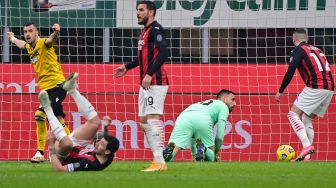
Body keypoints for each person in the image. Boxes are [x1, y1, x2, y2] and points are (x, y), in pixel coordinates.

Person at [114, 1, 169, 172]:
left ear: (151, 12)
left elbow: (164, 52)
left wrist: (149, 74)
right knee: (144, 121)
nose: (138, 13)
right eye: (137, 10)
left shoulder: (156, 29)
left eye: (141, 10)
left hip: (156, 82)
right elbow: (144, 58)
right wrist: (127, 67)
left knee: (152, 118)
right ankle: (157, 160)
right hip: (146, 83)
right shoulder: (144, 32)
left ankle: (160, 162)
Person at [7, 22, 71, 163]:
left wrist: (56, 32)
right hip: (46, 89)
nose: (28, 34)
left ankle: (40, 152)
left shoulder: (43, 43)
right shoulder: (30, 47)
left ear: (36, 32)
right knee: (58, 119)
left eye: (30, 31)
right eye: (25, 32)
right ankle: (73, 146)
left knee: (39, 115)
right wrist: (12, 38)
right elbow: (20, 43)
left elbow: (50, 40)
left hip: (57, 86)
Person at [275, 28, 335, 162]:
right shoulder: (318, 49)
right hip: (330, 88)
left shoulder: (299, 50)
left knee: (292, 114)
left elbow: (291, 69)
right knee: (307, 118)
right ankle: (307, 157)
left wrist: (281, 90)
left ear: (293, 39)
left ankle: (307, 146)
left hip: (316, 86)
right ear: (307, 39)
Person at [44, 72, 120, 172]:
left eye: (101, 144)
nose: (97, 144)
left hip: (60, 156)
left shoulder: (88, 164)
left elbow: (59, 169)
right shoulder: (108, 155)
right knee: (95, 123)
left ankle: (47, 109)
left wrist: (50, 146)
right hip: (77, 146)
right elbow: (104, 140)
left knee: (67, 144)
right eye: (100, 142)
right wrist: (105, 127)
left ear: (106, 151)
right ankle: (72, 89)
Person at [163, 89, 236, 162]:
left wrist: (194, 154)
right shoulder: (223, 106)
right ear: (224, 99)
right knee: (211, 158)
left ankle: (170, 151)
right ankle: (204, 148)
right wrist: (216, 153)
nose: (235, 103)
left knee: (173, 150)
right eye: (232, 99)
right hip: (203, 118)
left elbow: (193, 138)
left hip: (184, 116)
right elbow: (219, 137)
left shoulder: (201, 104)